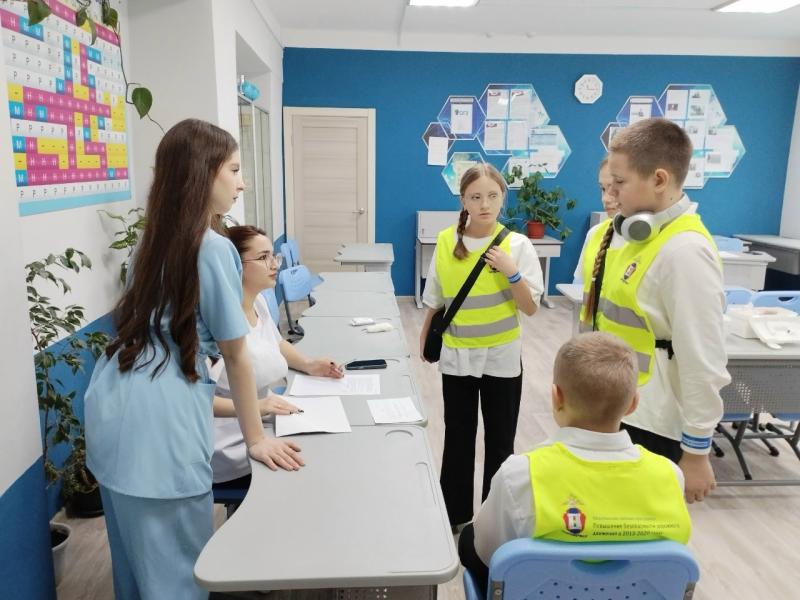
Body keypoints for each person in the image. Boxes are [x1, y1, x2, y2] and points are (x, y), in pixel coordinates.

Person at [84, 119, 303, 600]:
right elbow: (237, 355)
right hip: (161, 424)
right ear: (204, 173)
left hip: (112, 403)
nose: (242, 183)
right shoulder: (213, 247)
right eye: (234, 170)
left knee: (135, 571)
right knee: (179, 577)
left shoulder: (150, 242)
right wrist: (256, 439)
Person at [459, 332, 691, 592]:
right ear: (633, 403)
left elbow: (485, 553)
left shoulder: (521, 474)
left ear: (556, 396)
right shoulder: (671, 476)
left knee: (469, 540)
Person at [580, 117, 730, 504]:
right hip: (616, 407)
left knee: (640, 529)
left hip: (652, 424)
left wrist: (696, 452)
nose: (611, 192)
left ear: (659, 180)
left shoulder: (685, 252)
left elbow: (703, 359)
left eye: (619, 182)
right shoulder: (631, 236)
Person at [419, 162, 544, 530]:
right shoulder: (446, 241)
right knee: (458, 437)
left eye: (492, 195)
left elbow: (531, 307)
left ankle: (494, 519)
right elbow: (435, 300)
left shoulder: (517, 245)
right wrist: (425, 342)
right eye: (475, 197)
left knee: (501, 441)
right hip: (457, 356)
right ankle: (455, 517)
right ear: (463, 200)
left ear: (503, 197)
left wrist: (511, 271)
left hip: (502, 358)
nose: (484, 204)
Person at [211, 225, 343, 486]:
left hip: (266, 420)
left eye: (274, 256)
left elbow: (277, 342)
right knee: (316, 466)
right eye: (263, 258)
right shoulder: (217, 323)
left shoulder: (258, 301)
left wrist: (308, 364)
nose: (274, 265)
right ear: (234, 265)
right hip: (231, 441)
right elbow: (199, 401)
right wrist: (257, 407)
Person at [572, 157, 620, 285]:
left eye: (614, 189)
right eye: (603, 189)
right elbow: (579, 286)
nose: (605, 199)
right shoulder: (595, 234)